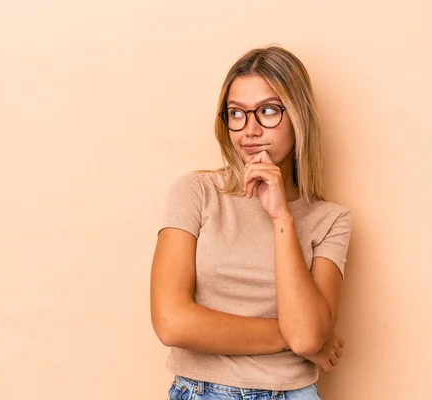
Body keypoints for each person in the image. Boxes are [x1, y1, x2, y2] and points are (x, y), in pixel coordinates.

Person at [150, 45, 352, 400]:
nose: (250, 129)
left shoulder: (330, 219)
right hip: (204, 392)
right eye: (236, 114)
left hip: (295, 393)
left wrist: (281, 217)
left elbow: (306, 337)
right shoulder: (196, 192)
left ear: (299, 116)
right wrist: (291, 336)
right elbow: (171, 322)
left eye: (269, 111)